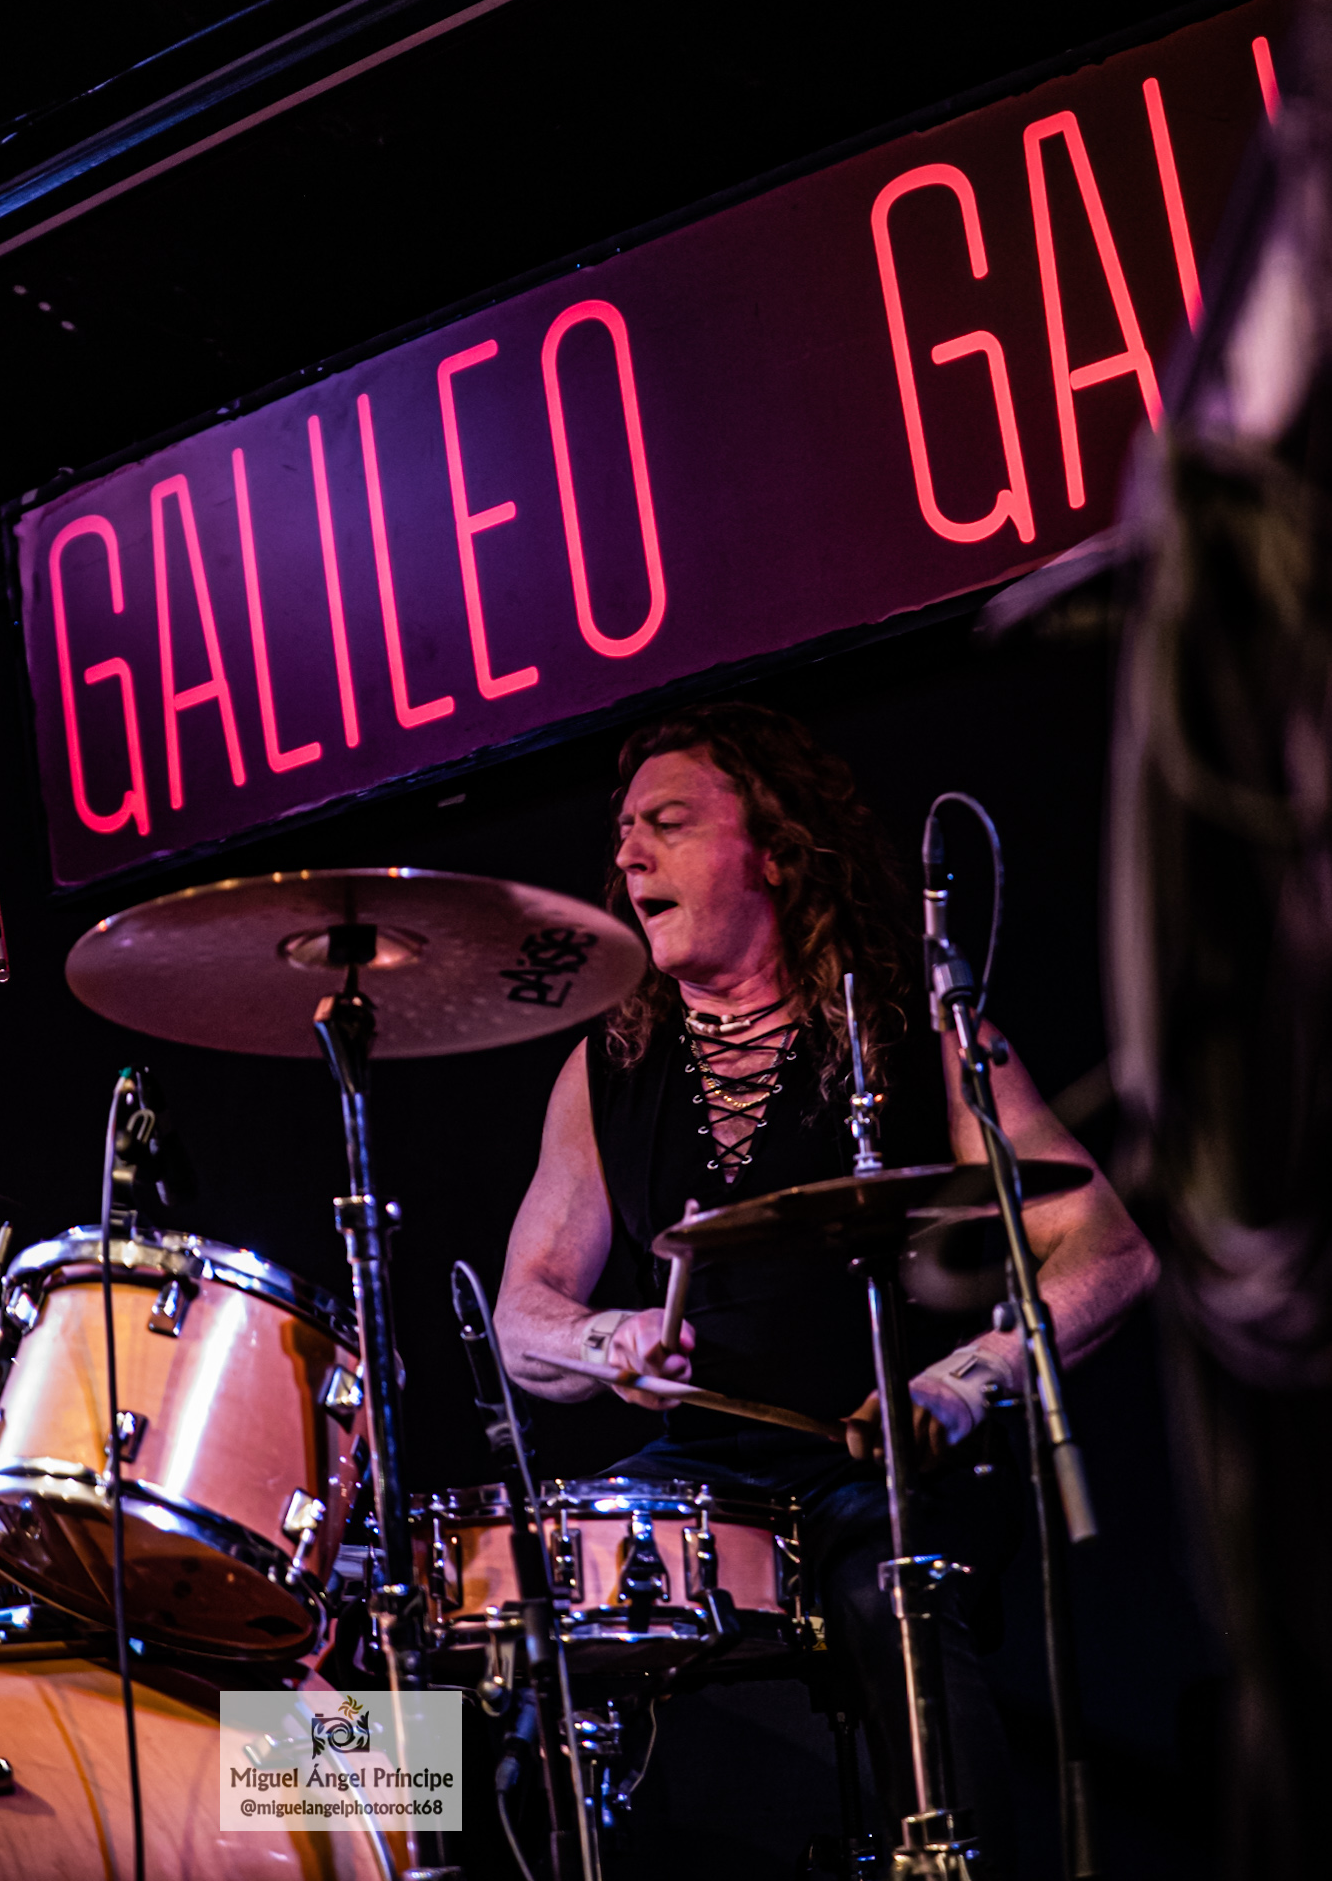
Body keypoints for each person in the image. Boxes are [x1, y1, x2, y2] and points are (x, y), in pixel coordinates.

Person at [495, 702, 1158, 1869]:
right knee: (493, 1598)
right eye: (623, 830)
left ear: (774, 849)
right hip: (699, 1475)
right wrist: (608, 1339)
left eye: (667, 822)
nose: (628, 854)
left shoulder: (920, 1032)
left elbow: (1110, 1250)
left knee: (884, 1599)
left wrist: (965, 1381)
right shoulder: (606, 1063)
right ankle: (323, 1834)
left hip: (884, 1470)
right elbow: (521, 1315)